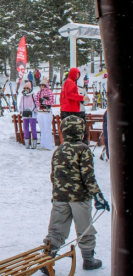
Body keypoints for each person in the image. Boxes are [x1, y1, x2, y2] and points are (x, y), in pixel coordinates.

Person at [42, 115, 109, 273]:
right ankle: (88, 259)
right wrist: (98, 196)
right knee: (85, 228)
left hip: (60, 197)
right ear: (81, 131)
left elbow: (53, 176)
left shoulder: (58, 151)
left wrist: (58, 192)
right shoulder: (83, 149)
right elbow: (88, 177)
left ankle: (47, 258)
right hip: (79, 197)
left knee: (57, 229)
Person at [60, 68, 90, 143]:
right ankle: (80, 145)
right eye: (76, 74)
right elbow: (69, 95)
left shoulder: (67, 82)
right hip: (71, 110)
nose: (77, 76)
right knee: (77, 130)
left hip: (67, 109)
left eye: (78, 74)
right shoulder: (70, 82)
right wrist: (81, 97)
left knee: (69, 131)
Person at [34, 78, 55, 150]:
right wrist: (40, 103)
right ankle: (42, 144)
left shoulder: (49, 92)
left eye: (43, 85)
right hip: (40, 112)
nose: (42, 87)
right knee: (42, 129)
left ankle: (48, 145)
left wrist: (44, 102)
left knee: (47, 129)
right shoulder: (38, 92)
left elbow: (52, 101)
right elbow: (36, 100)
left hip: (47, 111)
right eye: (41, 85)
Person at [19, 82, 37, 149]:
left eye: (27, 88)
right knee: (25, 128)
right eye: (25, 88)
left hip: (32, 114)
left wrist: (34, 110)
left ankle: (34, 143)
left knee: (33, 128)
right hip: (25, 114)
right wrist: (21, 111)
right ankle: (26, 142)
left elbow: (36, 104)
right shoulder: (23, 97)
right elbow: (20, 105)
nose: (26, 89)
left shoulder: (33, 96)